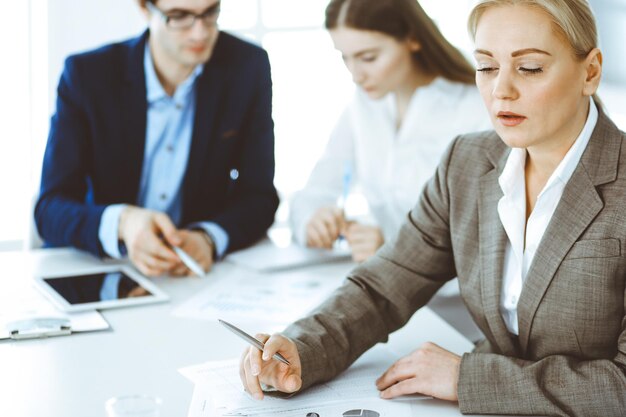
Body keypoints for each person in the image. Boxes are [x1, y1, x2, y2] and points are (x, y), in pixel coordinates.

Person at [240, 1, 626, 415]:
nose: (501, 90)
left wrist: (467, 378)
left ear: (590, 71)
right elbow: (385, 285)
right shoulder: (467, 162)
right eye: (487, 67)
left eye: (528, 68)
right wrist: (302, 346)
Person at [35, 0, 279, 277]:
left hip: (192, 274)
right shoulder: (88, 76)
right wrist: (123, 223)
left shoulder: (247, 67)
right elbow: (49, 209)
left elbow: (259, 197)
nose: (199, 33)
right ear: (144, 8)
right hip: (104, 268)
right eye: (179, 17)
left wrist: (208, 238)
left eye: (210, 13)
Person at [289, 0, 490, 263]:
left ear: (413, 39)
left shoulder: (476, 109)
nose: (356, 75)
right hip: (386, 286)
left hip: (453, 299)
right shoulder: (366, 103)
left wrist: (396, 248)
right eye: (344, 57)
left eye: (368, 58)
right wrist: (313, 221)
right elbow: (313, 193)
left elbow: (486, 240)